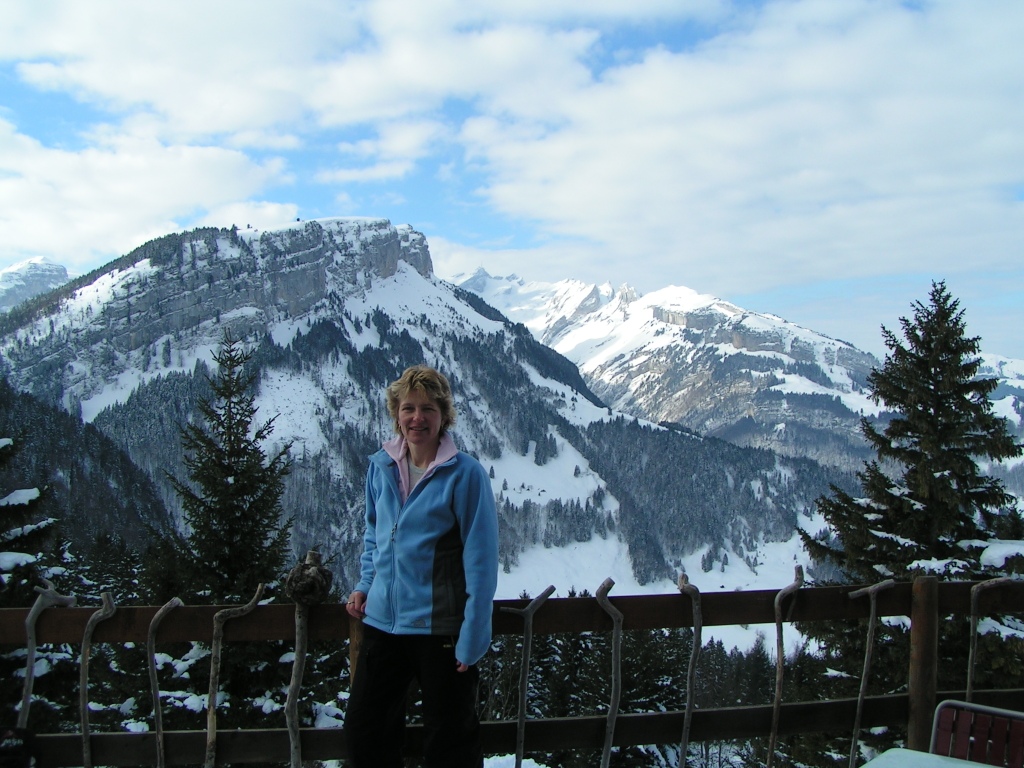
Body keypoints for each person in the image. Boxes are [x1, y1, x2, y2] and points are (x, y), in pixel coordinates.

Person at [344, 364, 499, 767]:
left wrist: (474, 635)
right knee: (365, 734)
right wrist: (365, 584)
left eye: (429, 408)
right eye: (408, 408)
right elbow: (374, 534)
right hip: (383, 624)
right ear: (396, 414)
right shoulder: (381, 467)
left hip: (440, 630)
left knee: (451, 743)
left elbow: (481, 559)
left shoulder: (465, 474)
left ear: (444, 416)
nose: (417, 418)